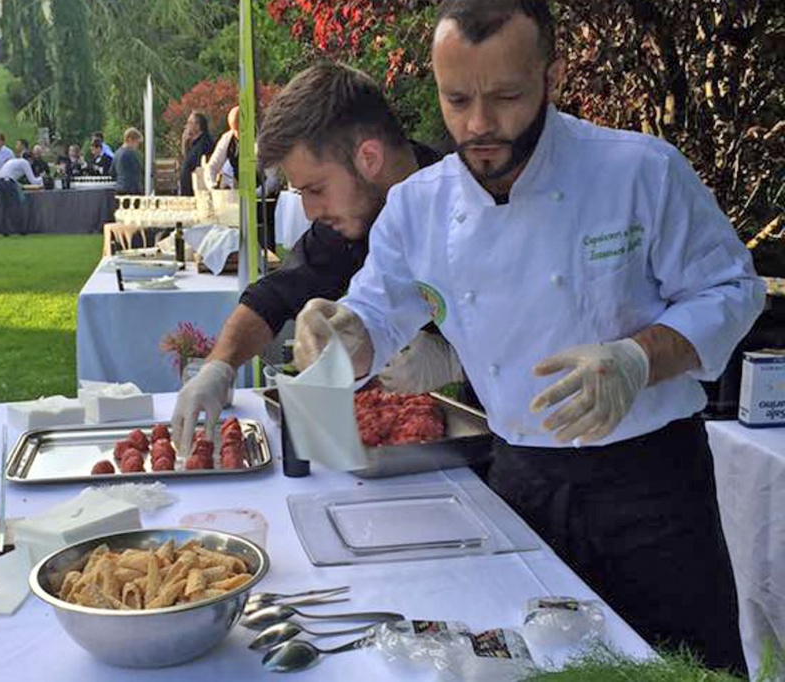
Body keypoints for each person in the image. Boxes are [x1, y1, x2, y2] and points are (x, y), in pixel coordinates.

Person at [293, 1, 763, 673]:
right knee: (532, 668)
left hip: (652, 487)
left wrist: (638, 358)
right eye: (457, 100)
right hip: (519, 483)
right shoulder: (418, 206)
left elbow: (732, 290)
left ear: (553, 77)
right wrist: (338, 337)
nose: (478, 124)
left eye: (506, 97)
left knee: (684, 666)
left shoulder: (639, 172)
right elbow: (375, 318)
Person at [170, 64, 463, 455]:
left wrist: (458, 359)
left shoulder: (469, 200)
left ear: (369, 158)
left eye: (315, 189)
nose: (308, 211)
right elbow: (276, 294)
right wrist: (219, 367)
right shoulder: (352, 214)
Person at [0, 153, 43, 236]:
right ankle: (21, 229)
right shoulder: (25, 163)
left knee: (4, 206)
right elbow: (33, 181)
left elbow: (10, 175)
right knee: (16, 205)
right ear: (30, 160)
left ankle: (4, 230)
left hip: (0, 180)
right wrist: (42, 178)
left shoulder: (15, 161)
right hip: (8, 182)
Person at [179, 111, 214, 196]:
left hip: (197, 191)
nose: (187, 126)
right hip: (187, 189)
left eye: (190, 123)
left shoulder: (205, 143)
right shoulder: (194, 144)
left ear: (197, 125)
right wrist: (185, 144)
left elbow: (198, 165)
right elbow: (187, 161)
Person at [111, 127, 144, 194]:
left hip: (119, 189)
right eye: (137, 142)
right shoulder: (132, 154)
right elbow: (141, 170)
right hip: (133, 190)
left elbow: (112, 172)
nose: (137, 146)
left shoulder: (116, 153)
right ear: (130, 139)